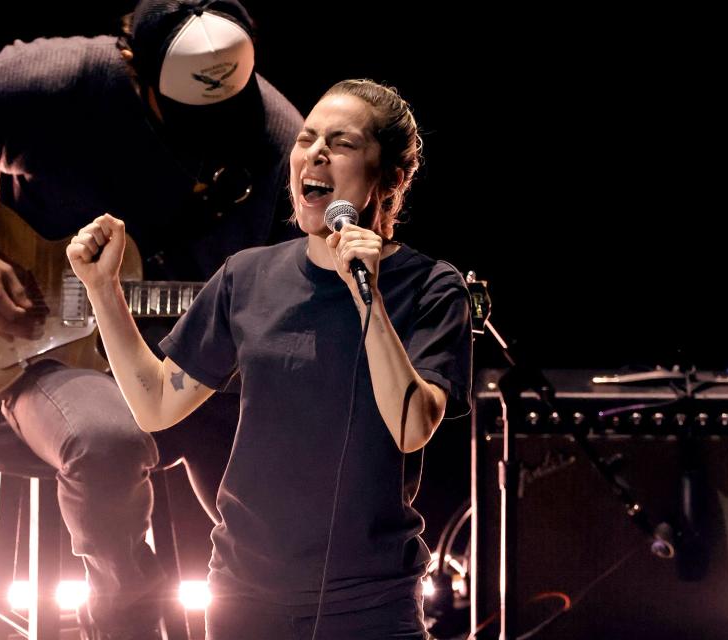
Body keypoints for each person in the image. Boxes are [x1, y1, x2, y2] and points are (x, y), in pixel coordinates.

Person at [0, 1, 303, 638]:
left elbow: (294, 282)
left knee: (294, 478)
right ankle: (125, 606)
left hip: (201, 369)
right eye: (187, 121)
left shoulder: (277, 136)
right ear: (136, 76)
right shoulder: (65, 80)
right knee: (108, 442)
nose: (208, 135)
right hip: (52, 353)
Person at [68, 79, 473, 640]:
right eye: (307, 139)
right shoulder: (248, 275)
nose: (316, 153)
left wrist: (367, 299)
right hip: (244, 596)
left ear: (391, 177)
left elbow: (410, 428)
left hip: (370, 604)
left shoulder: (430, 286)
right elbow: (156, 404)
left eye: (343, 142)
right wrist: (102, 289)